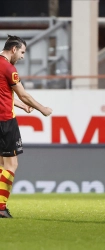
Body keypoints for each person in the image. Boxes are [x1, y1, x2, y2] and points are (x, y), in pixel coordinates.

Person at [0, 35, 52, 218]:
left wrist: (21, 106)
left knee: (1, 165)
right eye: (22, 52)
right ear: (13, 49)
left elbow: (5, 94)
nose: (22, 56)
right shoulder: (8, 68)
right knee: (11, 165)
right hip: (5, 122)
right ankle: (0, 208)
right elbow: (24, 95)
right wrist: (42, 109)